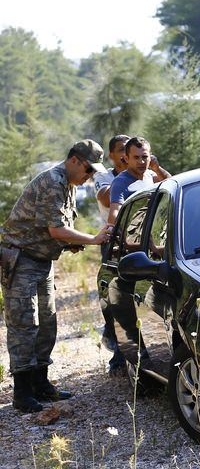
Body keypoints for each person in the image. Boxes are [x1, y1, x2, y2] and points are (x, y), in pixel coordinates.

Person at [0, 139, 112, 413]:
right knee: (24, 324)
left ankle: (40, 384)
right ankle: (23, 393)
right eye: (87, 170)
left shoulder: (68, 184)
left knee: (47, 323)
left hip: (40, 261)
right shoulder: (53, 182)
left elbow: (57, 229)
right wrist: (94, 239)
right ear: (74, 160)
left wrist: (72, 241)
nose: (89, 176)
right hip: (21, 259)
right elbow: (56, 230)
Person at [92, 134, 130, 373]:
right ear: (111, 155)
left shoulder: (143, 172)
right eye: (121, 150)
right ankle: (116, 350)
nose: (126, 154)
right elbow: (105, 197)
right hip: (112, 240)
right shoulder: (104, 176)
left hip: (141, 239)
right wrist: (127, 175)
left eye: (130, 150)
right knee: (111, 293)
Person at [107, 136, 170, 224]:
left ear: (150, 157)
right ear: (126, 158)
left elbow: (172, 184)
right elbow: (114, 215)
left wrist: (157, 168)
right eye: (136, 157)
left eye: (144, 157)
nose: (141, 162)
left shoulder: (151, 175)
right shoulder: (120, 182)